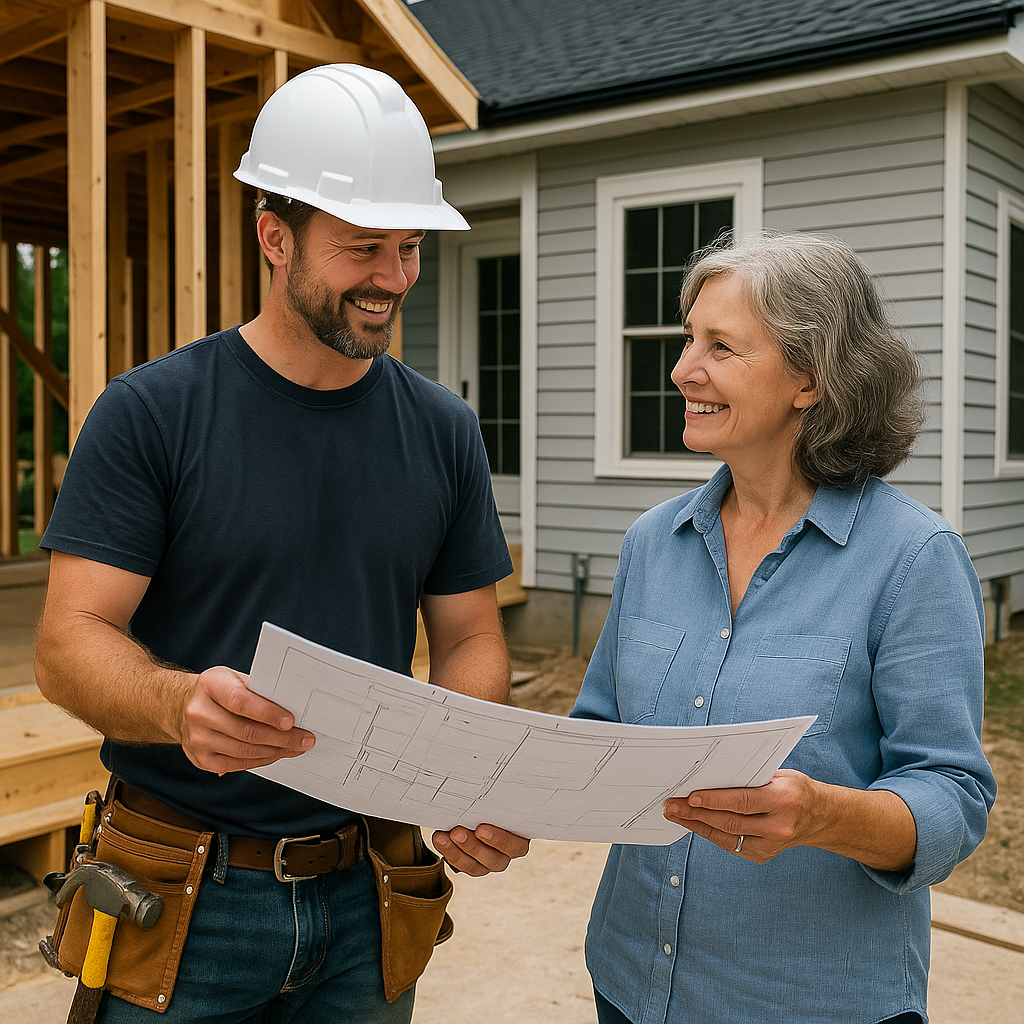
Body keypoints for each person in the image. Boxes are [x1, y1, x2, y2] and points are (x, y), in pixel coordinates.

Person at [34, 64, 528, 1023]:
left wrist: (469, 773)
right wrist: (182, 704)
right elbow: (67, 643)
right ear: (274, 236)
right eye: (362, 248)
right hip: (181, 900)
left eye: (410, 248)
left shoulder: (442, 428)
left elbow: (469, 639)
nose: (393, 278)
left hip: (370, 892)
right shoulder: (154, 414)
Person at [571, 231, 996, 1024]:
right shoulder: (650, 544)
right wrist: (502, 798)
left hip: (811, 1001)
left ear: (810, 378)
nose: (682, 370)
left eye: (721, 347)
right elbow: (599, 735)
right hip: (630, 986)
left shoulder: (913, 559)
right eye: (688, 339)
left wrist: (825, 816)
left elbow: (954, 797)